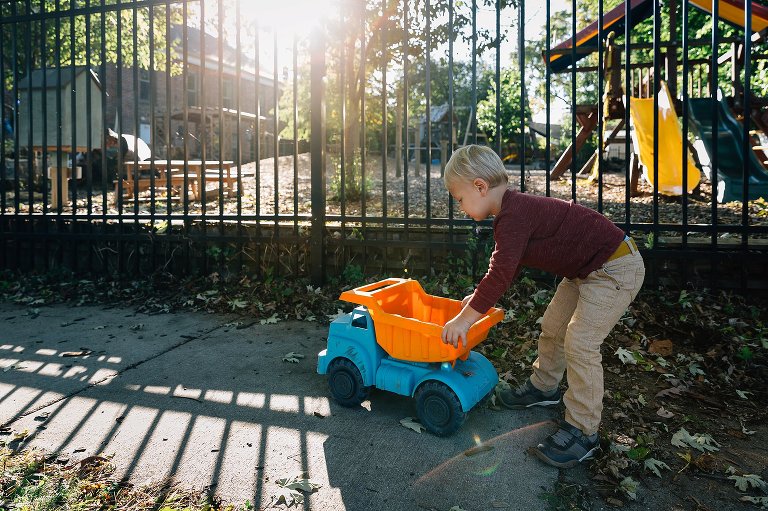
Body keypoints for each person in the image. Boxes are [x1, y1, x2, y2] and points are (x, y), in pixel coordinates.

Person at [440, 145, 645, 468]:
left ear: (480, 187)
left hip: (614, 269)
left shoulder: (514, 214)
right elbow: (507, 265)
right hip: (585, 271)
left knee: (580, 342)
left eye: (460, 199)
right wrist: (476, 303)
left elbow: (501, 272)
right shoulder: (512, 212)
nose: (461, 207)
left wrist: (466, 319)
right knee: (553, 327)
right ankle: (543, 387)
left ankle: (583, 430)